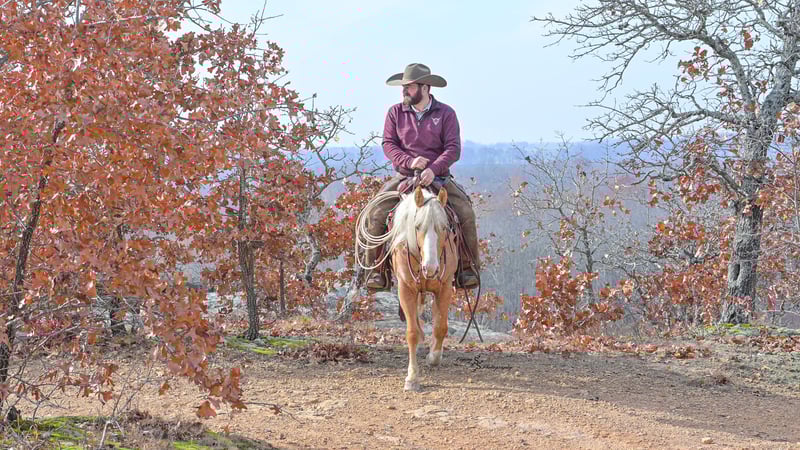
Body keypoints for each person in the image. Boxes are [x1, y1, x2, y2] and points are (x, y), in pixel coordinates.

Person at [364, 63, 480, 290]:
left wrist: (433, 169)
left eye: (409, 86)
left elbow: (453, 148)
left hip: (438, 179)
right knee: (375, 214)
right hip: (404, 177)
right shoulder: (395, 113)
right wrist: (409, 162)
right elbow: (388, 144)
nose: (404, 91)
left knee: (466, 213)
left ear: (425, 88)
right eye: (404, 87)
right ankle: (375, 272)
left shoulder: (446, 113)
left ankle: (468, 270)